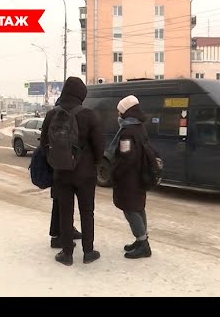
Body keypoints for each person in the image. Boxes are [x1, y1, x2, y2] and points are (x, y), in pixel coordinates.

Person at [40, 76, 104, 266]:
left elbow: (44, 143)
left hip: (61, 173)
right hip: (85, 175)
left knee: (65, 212)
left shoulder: (52, 115)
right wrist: (94, 163)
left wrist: (56, 162)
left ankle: (67, 254)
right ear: (81, 94)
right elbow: (99, 147)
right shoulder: (90, 115)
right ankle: (88, 252)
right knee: (87, 212)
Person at [111, 95, 152, 259]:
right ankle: (141, 239)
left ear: (126, 113)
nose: (118, 116)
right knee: (139, 208)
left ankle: (143, 245)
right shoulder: (140, 127)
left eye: (120, 112)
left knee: (130, 209)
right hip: (140, 175)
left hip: (130, 178)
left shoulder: (127, 132)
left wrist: (116, 173)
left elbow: (126, 157)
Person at [48, 98, 83, 249]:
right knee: (59, 203)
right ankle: (57, 237)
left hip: (57, 166)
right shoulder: (57, 117)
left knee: (62, 203)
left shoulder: (56, 116)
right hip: (59, 168)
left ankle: (66, 231)